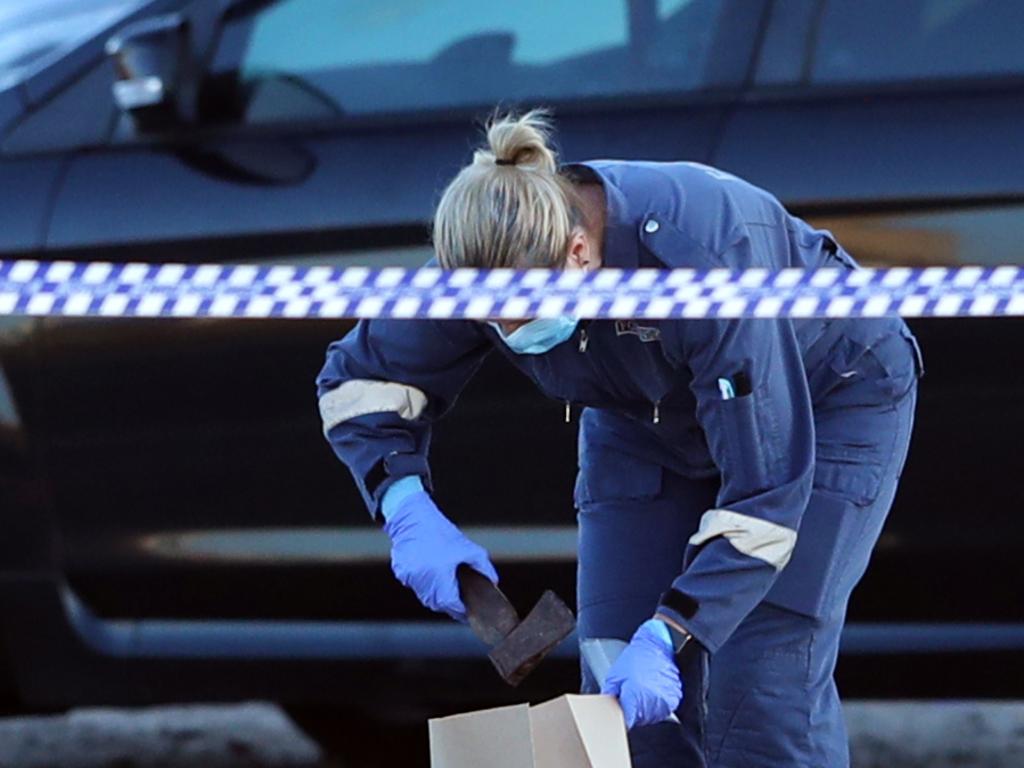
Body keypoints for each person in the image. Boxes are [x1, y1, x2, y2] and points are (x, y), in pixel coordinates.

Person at [315, 109, 922, 767]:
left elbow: (764, 494)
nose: (508, 333)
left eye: (524, 316)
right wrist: (405, 505)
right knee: (616, 689)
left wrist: (672, 632)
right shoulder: (487, 257)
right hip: (644, 419)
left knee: (759, 675)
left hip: (825, 397)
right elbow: (361, 381)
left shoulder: (699, 264)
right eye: (489, 319)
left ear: (579, 255)